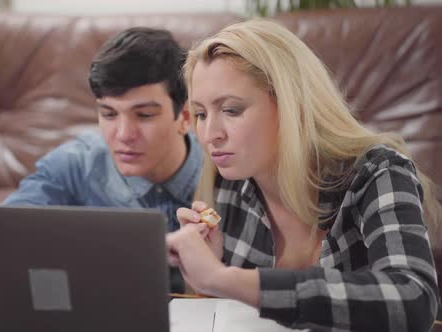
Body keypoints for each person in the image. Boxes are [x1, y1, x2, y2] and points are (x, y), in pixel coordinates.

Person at [166, 18, 441, 331]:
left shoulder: (378, 172)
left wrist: (225, 278)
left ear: (292, 105)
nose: (210, 134)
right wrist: (209, 276)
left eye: (231, 110)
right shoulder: (227, 179)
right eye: (201, 114)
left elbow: (413, 301)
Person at [3, 27, 203, 293]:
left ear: (185, 117)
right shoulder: (74, 165)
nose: (123, 135)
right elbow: (1, 234)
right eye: (108, 114)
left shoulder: (227, 170)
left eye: (144, 115)